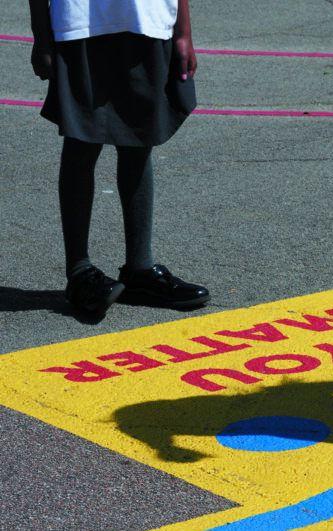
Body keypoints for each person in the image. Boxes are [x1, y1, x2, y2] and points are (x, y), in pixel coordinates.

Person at [29, 0, 210, 316]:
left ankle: (139, 269)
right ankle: (79, 271)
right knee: (82, 141)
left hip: (148, 19)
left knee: (140, 139)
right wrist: (41, 33)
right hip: (82, 22)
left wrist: (183, 32)